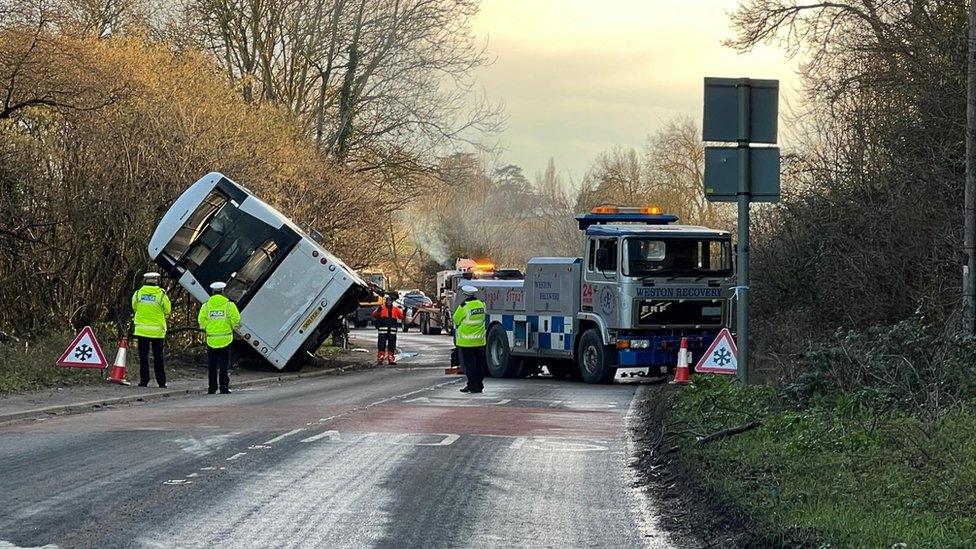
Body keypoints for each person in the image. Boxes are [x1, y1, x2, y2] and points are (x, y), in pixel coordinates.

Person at [198, 281, 241, 394]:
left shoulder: (206, 306)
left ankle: (212, 388)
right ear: (222, 291)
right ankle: (224, 388)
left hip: (211, 339)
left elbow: (201, 322)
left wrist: (208, 328)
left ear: (212, 292)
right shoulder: (229, 305)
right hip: (226, 339)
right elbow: (236, 320)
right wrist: (230, 327)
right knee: (224, 365)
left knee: (212, 365)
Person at [131, 272, 171, 388]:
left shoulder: (138, 294)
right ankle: (161, 382)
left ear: (145, 281)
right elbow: (167, 310)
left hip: (142, 331)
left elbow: (134, 307)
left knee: (143, 357)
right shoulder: (161, 295)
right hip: (157, 332)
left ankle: (144, 381)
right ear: (156, 281)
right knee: (158, 357)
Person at [453, 285, 487, 393]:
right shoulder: (481, 304)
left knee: (470, 365)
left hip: (467, 342)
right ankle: (479, 385)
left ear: (465, 295)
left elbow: (456, 320)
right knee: (479, 364)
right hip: (480, 341)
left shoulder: (464, 307)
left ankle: (472, 386)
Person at [371, 293, 403, 365]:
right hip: (383, 331)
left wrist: (402, 310)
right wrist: (378, 311)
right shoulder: (381, 308)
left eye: (390, 301)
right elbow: (374, 315)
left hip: (392, 331)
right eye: (388, 301)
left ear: (392, 301)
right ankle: (380, 358)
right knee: (381, 345)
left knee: (392, 345)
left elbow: (401, 316)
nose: (389, 302)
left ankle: (391, 358)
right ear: (386, 301)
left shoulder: (396, 309)